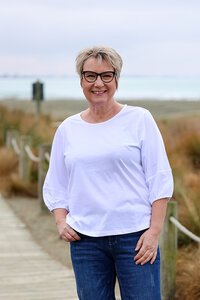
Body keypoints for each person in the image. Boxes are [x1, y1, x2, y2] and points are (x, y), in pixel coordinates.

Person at [43, 46, 174, 300]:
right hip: (86, 241)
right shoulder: (68, 129)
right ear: (81, 79)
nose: (98, 83)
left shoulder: (140, 119)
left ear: (117, 79)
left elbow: (159, 177)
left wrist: (154, 231)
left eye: (107, 75)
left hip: (135, 238)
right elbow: (56, 184)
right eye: (90, 75)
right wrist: (60, 221)